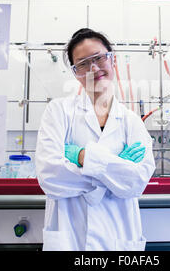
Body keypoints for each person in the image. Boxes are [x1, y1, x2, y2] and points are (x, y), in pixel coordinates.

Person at [35, 28, 155, 251]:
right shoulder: (58, 112)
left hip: (118, 240)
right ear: (75, 72)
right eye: (82, 63)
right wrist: (115, 170)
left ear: (113, 60)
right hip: (70, 240)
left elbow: (136, 183)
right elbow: (50, 177)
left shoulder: (131, 122)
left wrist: (82, 156)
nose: (94, 68)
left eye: (99, 58)